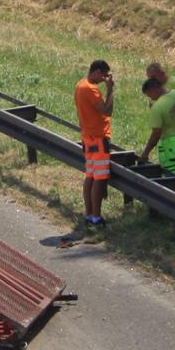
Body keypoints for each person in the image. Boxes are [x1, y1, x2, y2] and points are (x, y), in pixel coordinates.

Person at [74, 60, 115, 227]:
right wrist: (110, 89)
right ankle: (97, 218)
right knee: (99, 178)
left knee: (90, 176)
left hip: (87, 137)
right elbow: (107, 110)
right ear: (97, 72)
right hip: (98, 139)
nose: (104, 79)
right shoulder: (91, 89)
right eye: (104, 75)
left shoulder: (80, 85)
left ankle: (89, 214)